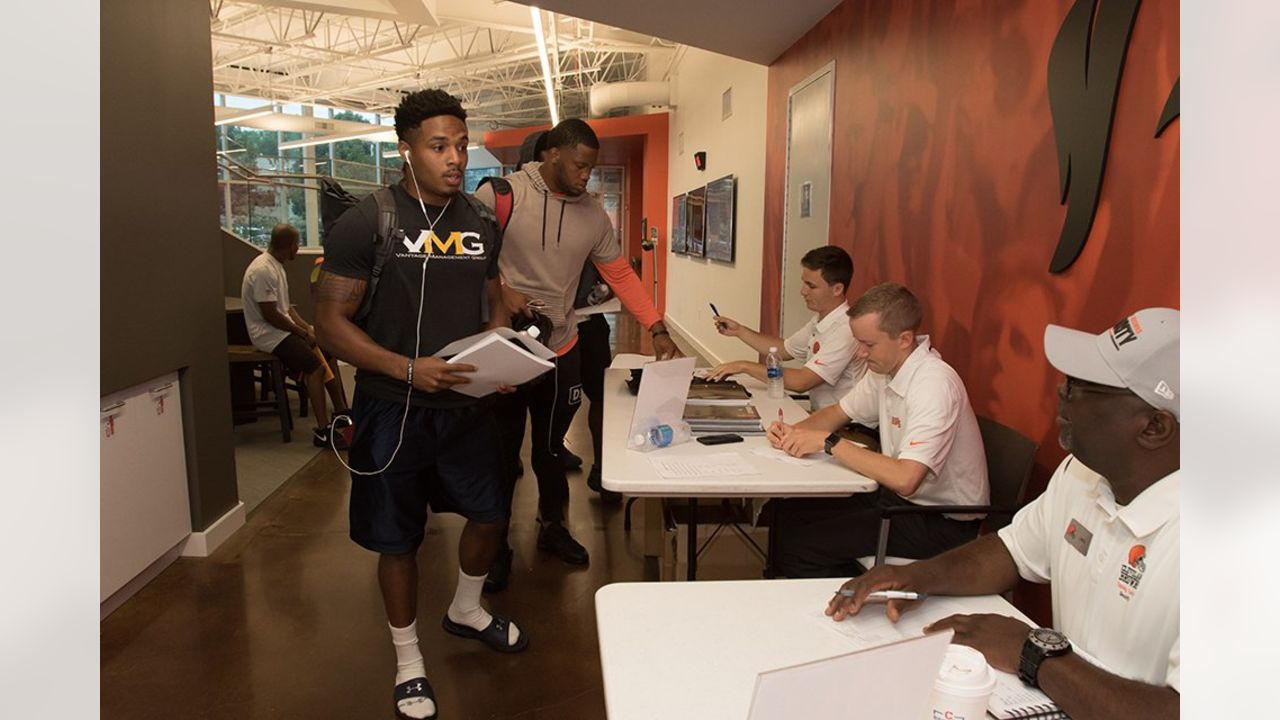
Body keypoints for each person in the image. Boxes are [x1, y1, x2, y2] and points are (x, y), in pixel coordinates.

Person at [828, 308, 1180, 719]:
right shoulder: (1081, 474)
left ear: (1153, 427)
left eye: (1087, 387)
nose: (1063, 392)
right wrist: (915, 576)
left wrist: (1034, 654)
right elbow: (1011, 551)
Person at [313, 89, 525, 720]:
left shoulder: (481, 221)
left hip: (466, 406)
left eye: (461, 145)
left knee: (491, 513)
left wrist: (496, 355)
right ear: (405, 148)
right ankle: (409, 660)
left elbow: (494, 296)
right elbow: (329, 323)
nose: (456, 158)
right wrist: (407, 369)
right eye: (439, 146)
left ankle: (466, 607)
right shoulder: (368, 221)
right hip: (390, 407)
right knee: (396, 539)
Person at [474, 118, 681, 577]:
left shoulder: (593, 214)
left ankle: (553, 526)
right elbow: (467, 260)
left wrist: (656, 327)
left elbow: (620, 275)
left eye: (592, 167)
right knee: (502, 454)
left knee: (551, 449)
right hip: (505, 348)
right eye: (580, 166)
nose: (587, 176)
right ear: (552, 155)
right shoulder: (499, 196)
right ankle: (495, 543)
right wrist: (501, 290)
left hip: (560, 347)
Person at [767, 282, 989, 577]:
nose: (859, 353)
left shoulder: (933, 384)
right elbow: (838, 412)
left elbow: (906, 478)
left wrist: (829, 442)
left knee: (803, 545)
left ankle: (849, 602)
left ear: (905, 339)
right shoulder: (886, 368)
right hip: (902, 502)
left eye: (868, 344)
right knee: (784, 513)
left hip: (942, 522)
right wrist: (792, 433)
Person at [706, 245, 866, 410]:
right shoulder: (820, 319)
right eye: (804, 283)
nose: (803, 291)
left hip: (847, 427)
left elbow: (802, 382)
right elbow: (783, 349)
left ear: (837, 289)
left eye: (811, 286)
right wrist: (739, 331)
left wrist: (744, 366)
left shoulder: (846, 329)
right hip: (822, 415)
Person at [241, 223, 350, 448]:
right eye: (297, 244)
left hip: (282, 329)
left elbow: (286, 308)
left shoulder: (276, 266)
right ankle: (322, 431)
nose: (298, 248)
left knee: (329, 350)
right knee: (315, 367)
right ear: (290, 246)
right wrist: (301, 332)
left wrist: (308, 329)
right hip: (268, 335)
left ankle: (342, 412)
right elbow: (270, 315)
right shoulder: (262, 270)